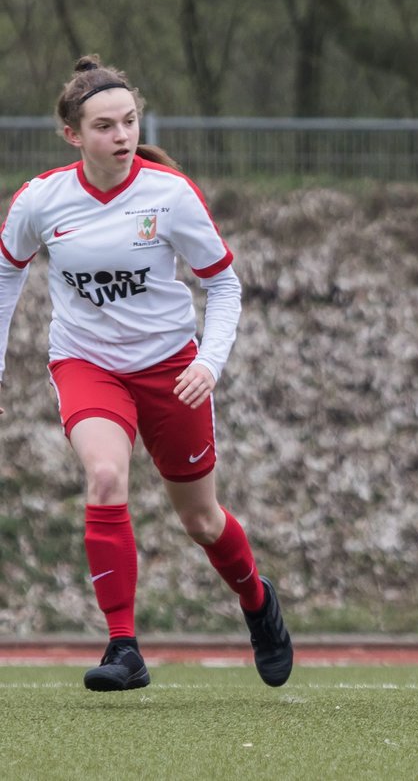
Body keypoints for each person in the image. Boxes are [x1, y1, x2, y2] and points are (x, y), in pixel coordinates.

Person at [0, 56, 292, 692]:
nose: (122, 135)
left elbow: (224, 285)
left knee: (202, 521)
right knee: (105, 476)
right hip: (86, 364)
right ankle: (124, 647)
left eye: (130, 121)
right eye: (105, 126)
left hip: (171, 369)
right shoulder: (42, 198)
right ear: (73, 134)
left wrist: (209, 363)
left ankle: (257, 603)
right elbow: (6, 271)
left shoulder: (169, 194)